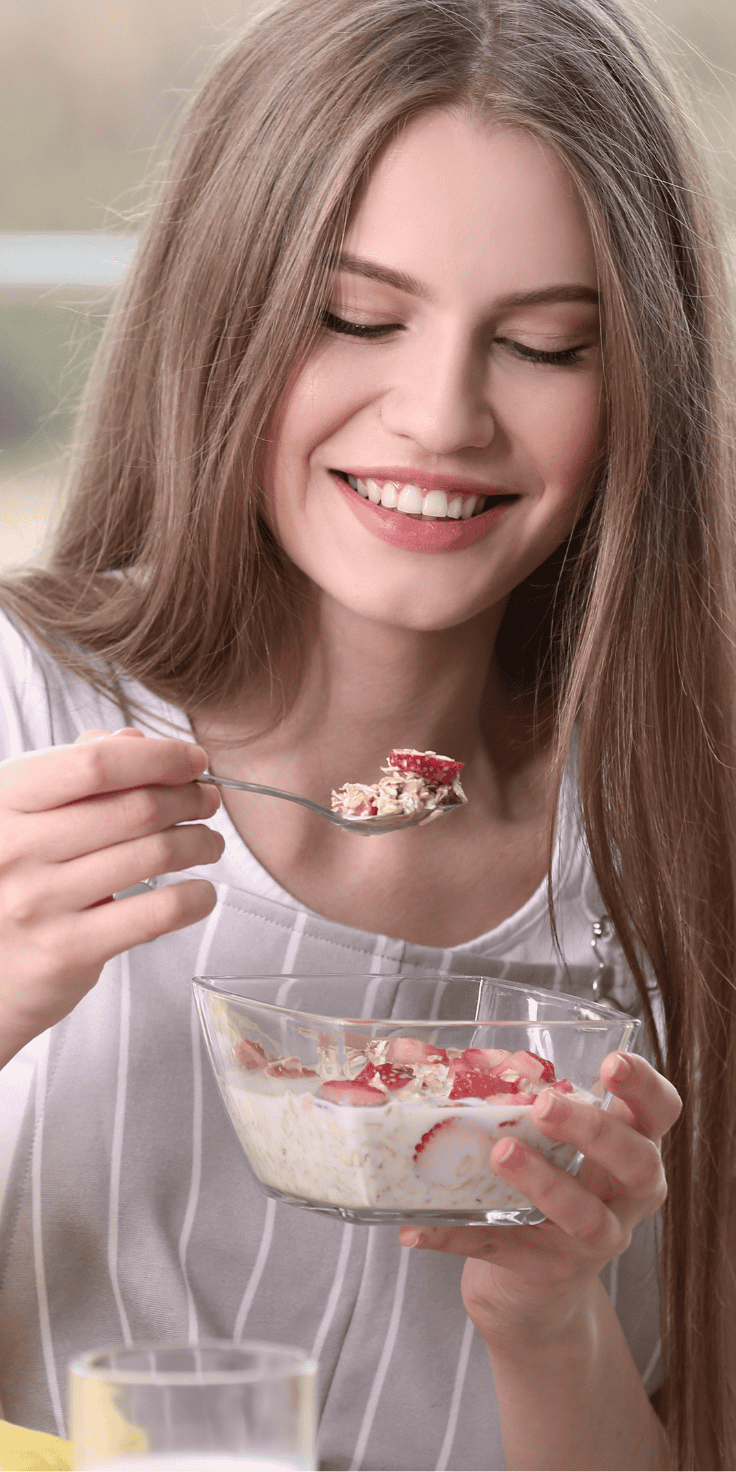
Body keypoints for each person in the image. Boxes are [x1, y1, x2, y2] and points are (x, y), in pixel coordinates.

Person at [0, 0, 733, 1466]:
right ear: (225, 316)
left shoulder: (685, 829)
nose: (441, 414)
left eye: (543, 346)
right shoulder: (23, 708)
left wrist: (554, 1323)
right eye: (358, 318)